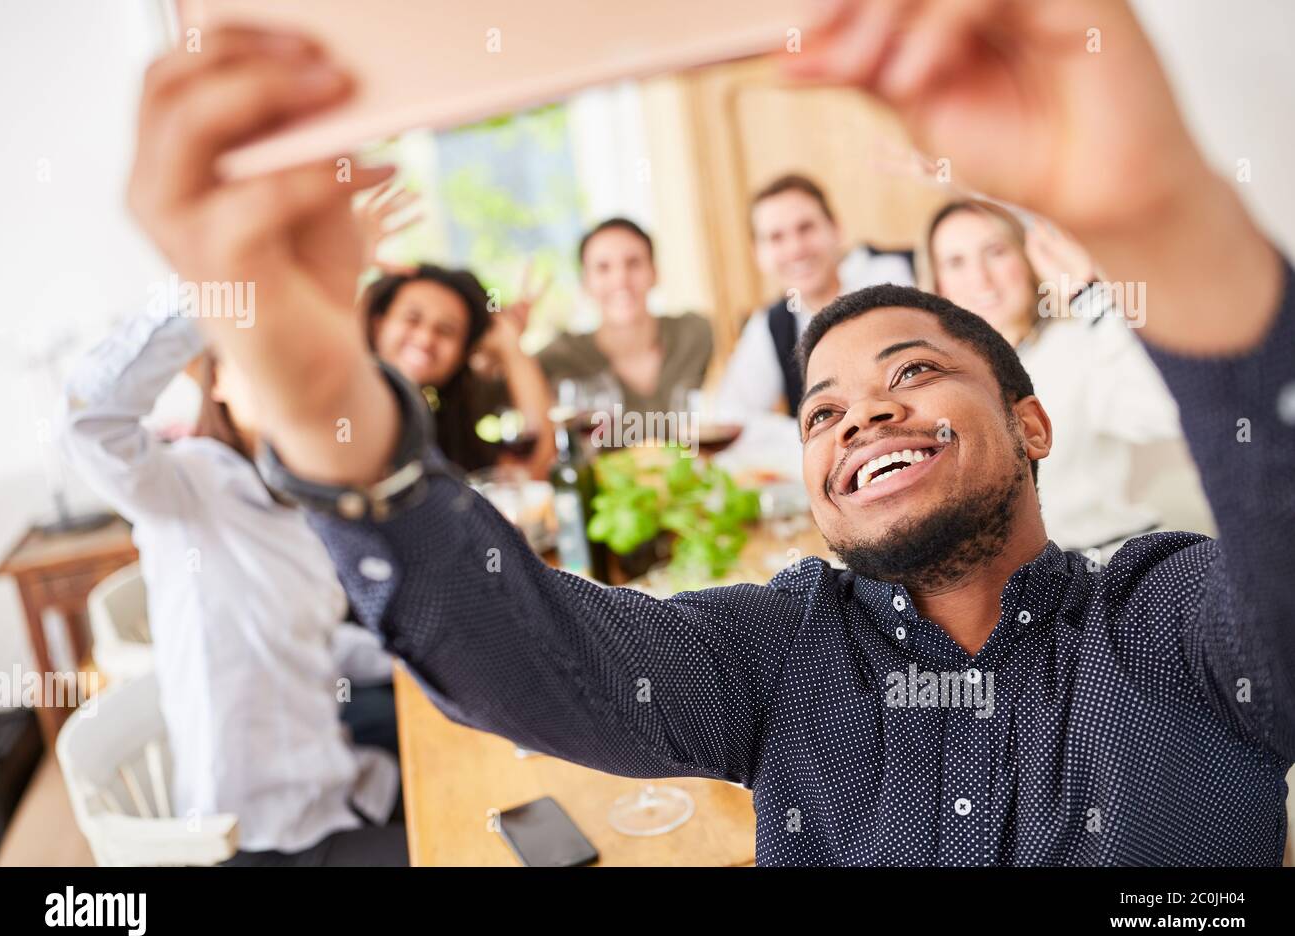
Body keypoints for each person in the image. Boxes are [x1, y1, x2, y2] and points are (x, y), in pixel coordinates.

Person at [125, 0, 1293, 867]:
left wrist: (1164, 217)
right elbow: (521, 652)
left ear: (1029, 421)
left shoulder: (1164, 623)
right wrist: (320, 389)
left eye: (914, 373)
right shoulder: (778, 651)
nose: (861, 415)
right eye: (822, 410)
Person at [60, 314, 407, 866]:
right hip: (261, 838)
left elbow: (308, 641)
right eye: (259, 361)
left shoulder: (298, 503)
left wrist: (408, 659)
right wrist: (216, 291)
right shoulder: (184, 489)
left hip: (336, 786)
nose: (286, 381)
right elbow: (88, 423)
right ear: (214, 380)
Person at [923, 197, 1205, 556]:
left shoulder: (1077, 342)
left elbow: (1167, 412)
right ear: (937, 283)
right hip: (1016, 597)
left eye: (995, 251)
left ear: (1027, 260)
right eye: (956, 262)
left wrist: (1091, 296)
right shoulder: (938, 385)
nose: (980, 278)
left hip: (1108, 569)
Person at [716, 173, 916, 418]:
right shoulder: (771, 326)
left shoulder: (899, 272)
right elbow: (729, 417)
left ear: (836, 229)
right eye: (776, 238)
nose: (796, 249)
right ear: (758, 254)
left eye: (806, 228)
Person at [362, 263, 555, 476]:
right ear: (378, 325)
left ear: (463, 353)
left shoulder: (443, 434)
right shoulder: (342, 409)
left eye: (446, 330)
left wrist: (511, 348)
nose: (425, 339)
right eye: (412, 319)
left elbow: (532, 469)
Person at [538, 217, 712, 417]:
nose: (621, 280)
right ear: (585, 283)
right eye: (603, 268)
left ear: (654, 272)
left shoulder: (695, 334)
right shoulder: (562, 355)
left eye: (634, 263)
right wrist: (508, 341)